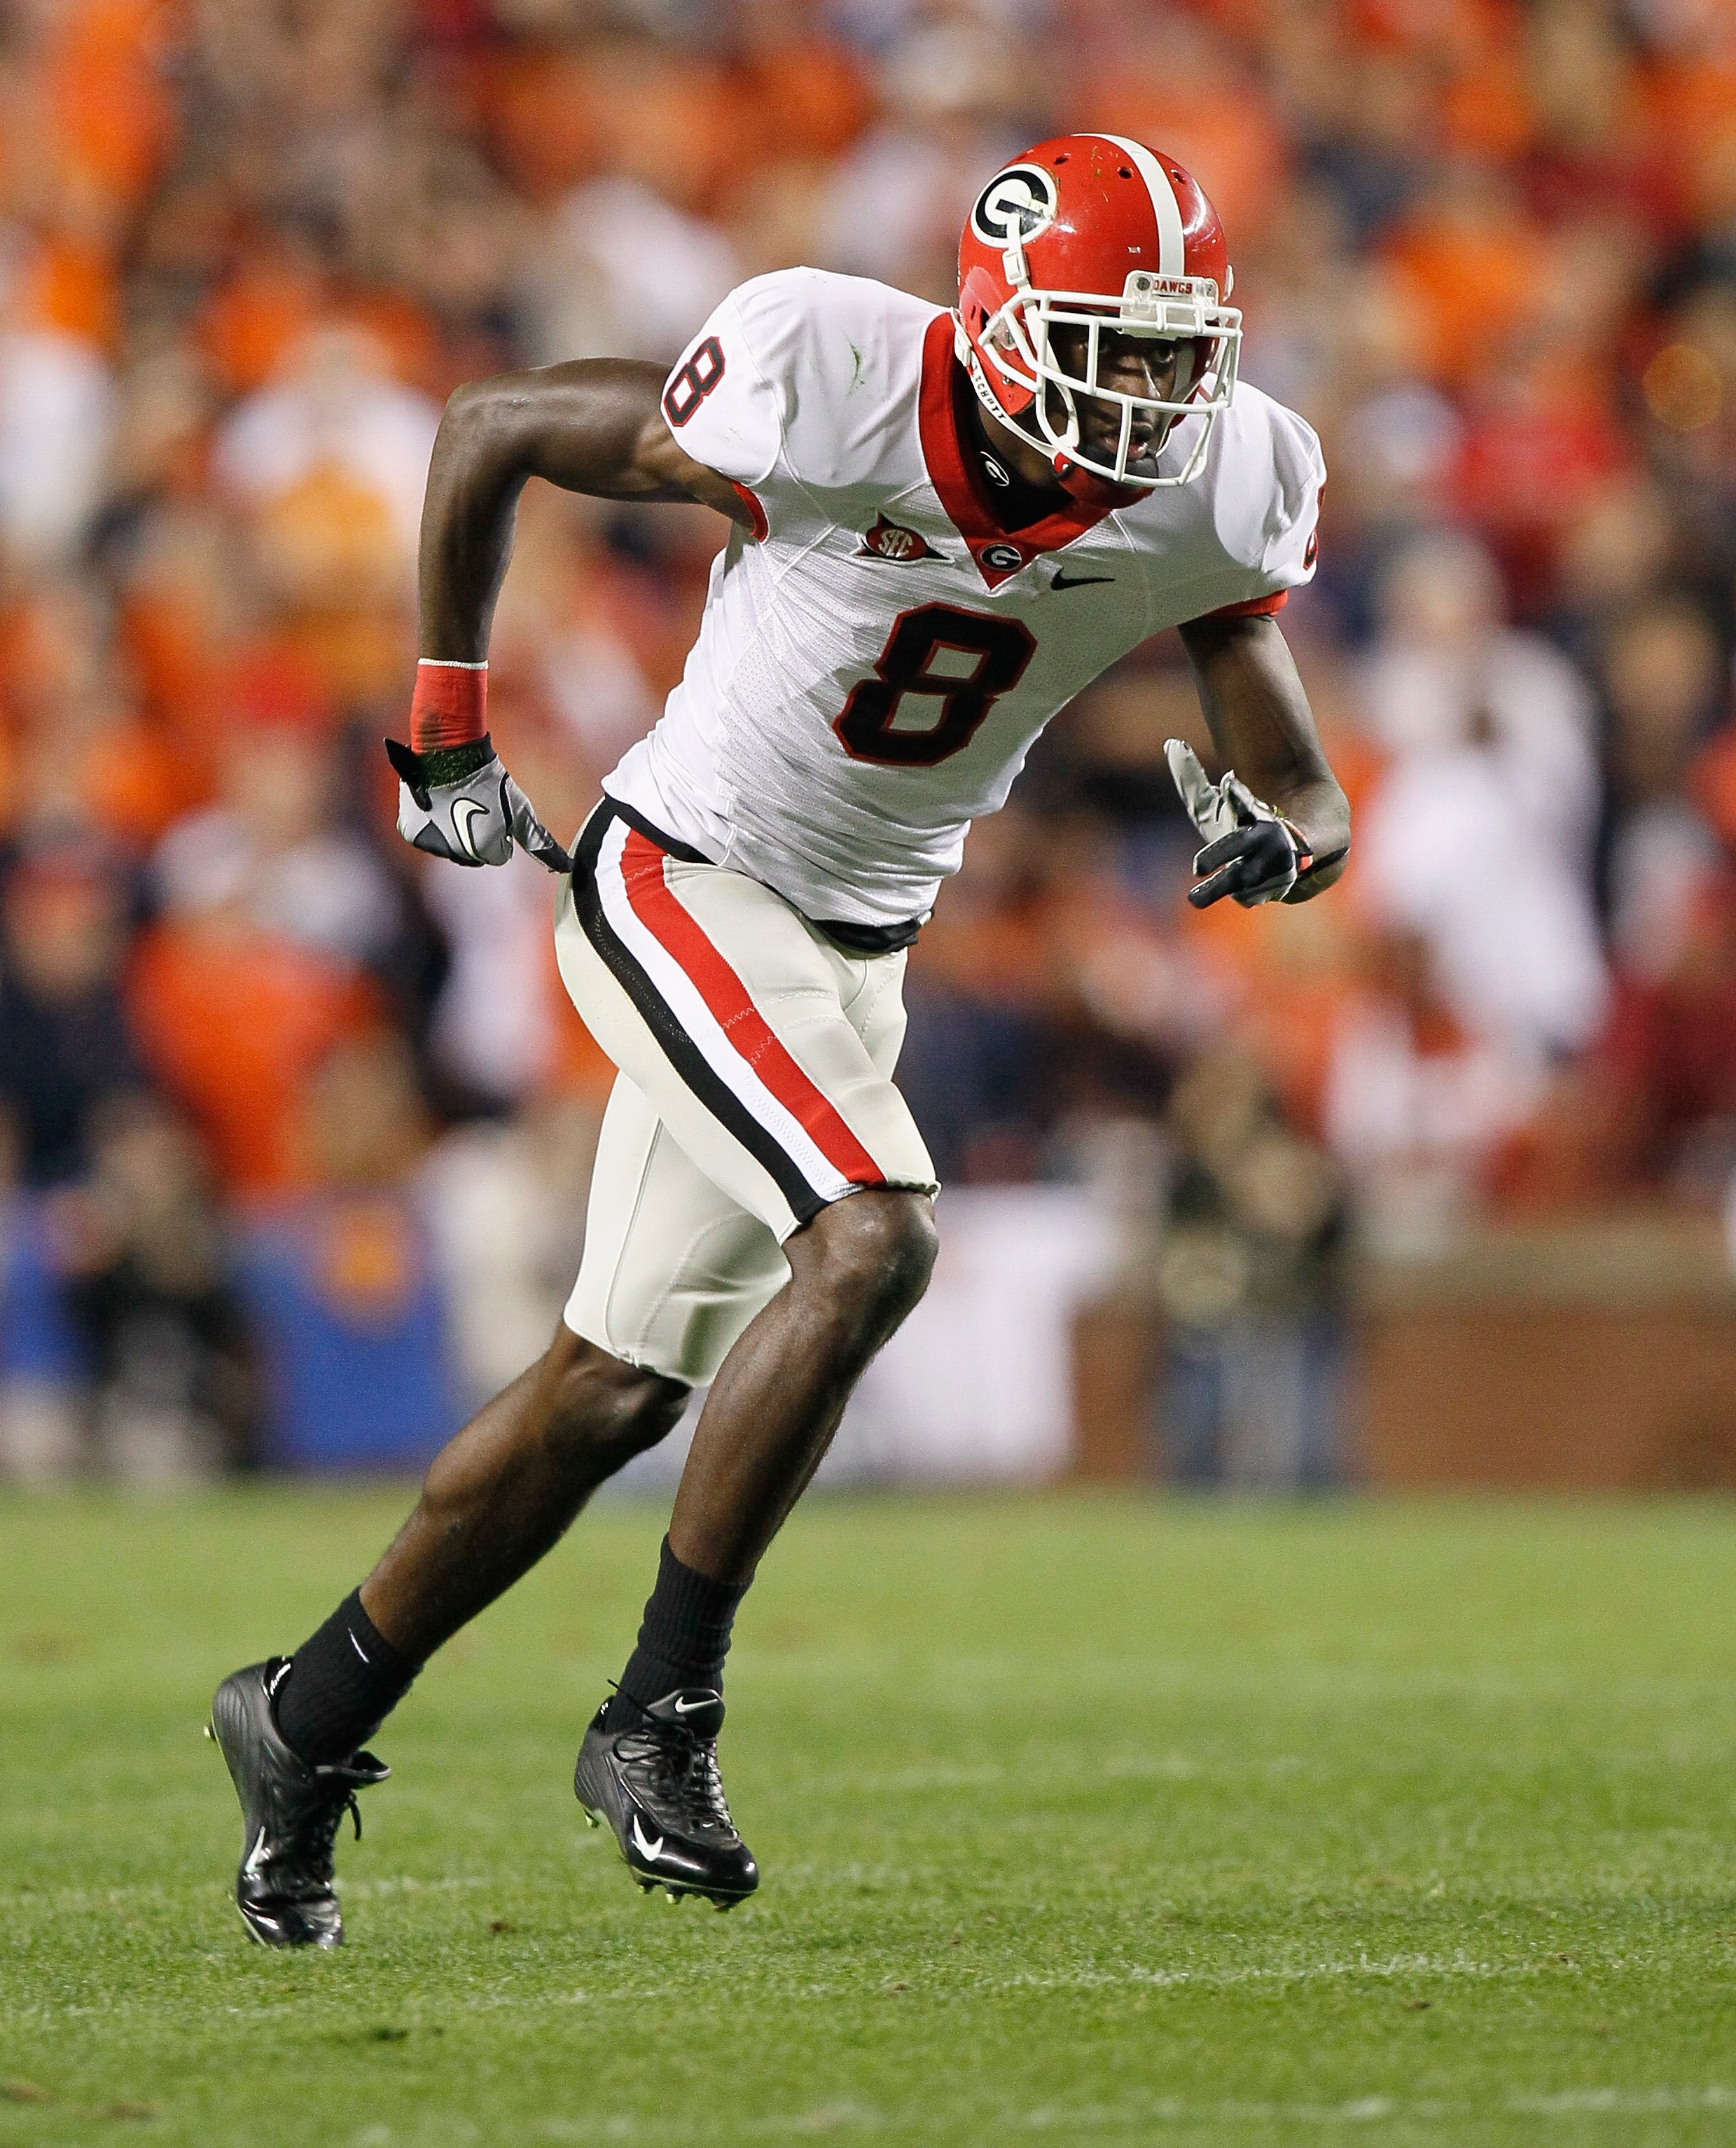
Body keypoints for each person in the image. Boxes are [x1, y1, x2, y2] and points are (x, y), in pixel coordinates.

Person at [207, 134, 1352, 1944]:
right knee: (874, 1229)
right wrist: (442, 725)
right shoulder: (827, 377)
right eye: (1105, 346)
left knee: (607, 1389)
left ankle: (302, 1713)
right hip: (676, 876)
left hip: (854, 949)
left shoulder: (1214, 487)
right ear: (994, 322)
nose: (1144, 396)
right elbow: (494, 421)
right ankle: (659, 1709)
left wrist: (1282, 832)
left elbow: (1294, 769)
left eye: (1168, 353)